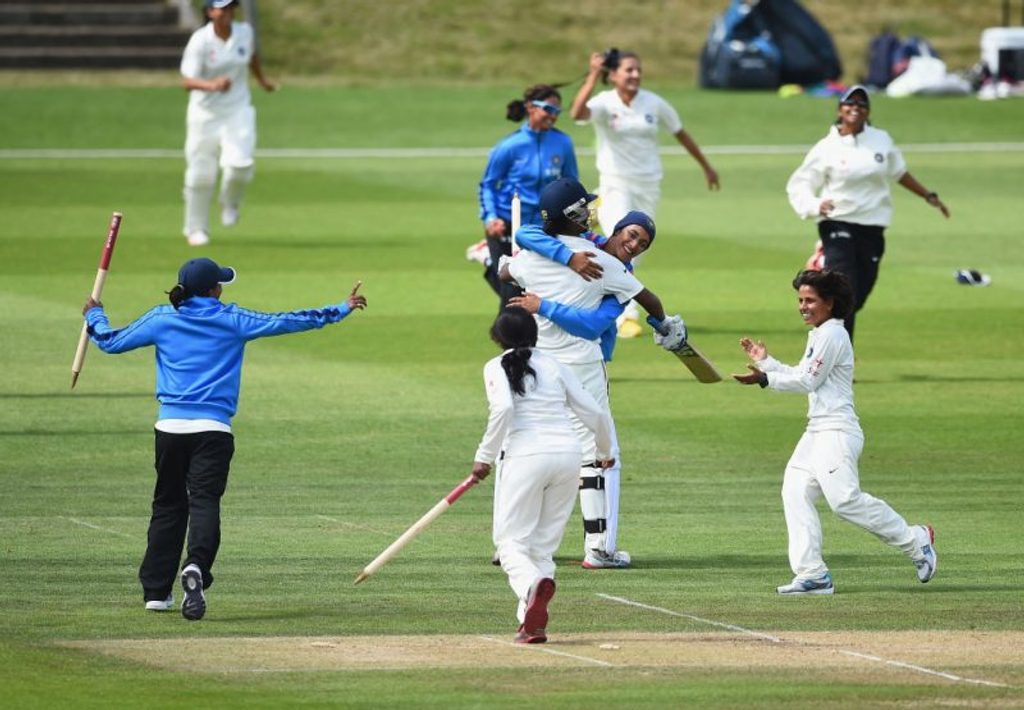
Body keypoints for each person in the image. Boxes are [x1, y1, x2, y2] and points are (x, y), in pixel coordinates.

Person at [82, 257, 366, 619]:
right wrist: (340, 309)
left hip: (170, 430)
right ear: (214, 290)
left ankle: (156, 591)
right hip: (213, 431)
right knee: (204, 503)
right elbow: (288, 320)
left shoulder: (161, 318)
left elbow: (109, 342)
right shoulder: (233, 320)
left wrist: (94, 315)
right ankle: (196, 566)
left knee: (167, 506)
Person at [500, 180, 687, 569]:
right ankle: (600, 548)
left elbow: (506, 269)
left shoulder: (532, 256)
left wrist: (515, 270)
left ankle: (509, 545)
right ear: (575, 215)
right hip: (582, 367)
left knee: (522, 447)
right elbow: (643, 302)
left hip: (536, 364)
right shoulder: (607, 266)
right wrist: (663, 325)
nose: (591, 211)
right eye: (585, 207)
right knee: (601, 454)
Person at [734, 269, 937, 595]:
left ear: (830, 302)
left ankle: (916, 539)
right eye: (800, 299)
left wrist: (763, 379)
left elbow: (807, 382)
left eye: (810, 300)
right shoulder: (820, 334)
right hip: (816, 431)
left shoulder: (833, 335)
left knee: (844, 501)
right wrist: (767, 362)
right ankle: (813, 574)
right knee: (795, 492)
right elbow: (803, 374)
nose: (803, 306)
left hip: (836, 431)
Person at [472, 307, 614, 643]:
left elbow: (504, 408)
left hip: (525, 457)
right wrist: (605, 452)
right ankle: (531, 622)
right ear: (535, 335)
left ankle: (529, 589)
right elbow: (594, 411)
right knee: (542, 548)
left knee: (509, 544)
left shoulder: (495, 365)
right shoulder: (554, 364)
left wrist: (483, 457)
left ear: (498, 338)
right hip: (569, 456)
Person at [569, 49, 719, 338]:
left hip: (648, 185)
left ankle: (590, 216)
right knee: (626, 246)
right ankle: (626, 315)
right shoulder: (604, 102)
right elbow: (577, 113)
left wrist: (706, 167)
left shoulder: (653, 103)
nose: (635, 75)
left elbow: (680, 133)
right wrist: (592, 75)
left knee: (632, 244)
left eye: (638, 70)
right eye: (629, 70)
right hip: (616, 183)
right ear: (613, 75)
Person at [786, 85, 950, 342]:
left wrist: (928, 196)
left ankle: (822, 270)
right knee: (843, 293)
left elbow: (899, 173)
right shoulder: (827, 147)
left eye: (862, 105)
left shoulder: (881, 140)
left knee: (854, 299)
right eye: (850, 104)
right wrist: (815, 205)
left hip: (872, 225)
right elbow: (800, 183)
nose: (856, 108)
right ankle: (838, 363)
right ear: (840, 110)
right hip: (837, 222)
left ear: (868, 112)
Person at [180, 0, 277, 247]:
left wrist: (263, 81)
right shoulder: (200, 40)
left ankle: (230, 201)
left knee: (240, 164)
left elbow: (251, 56)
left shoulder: (245, 32)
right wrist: (212, 85)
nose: (226, 13)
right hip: (205, 114)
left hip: (238, 110)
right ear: (210, 11)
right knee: (201, 174)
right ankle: (195, 228)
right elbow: (187, 81)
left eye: (230, 8)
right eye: (221, 8)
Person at [474, 84, 580, 308]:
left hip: (544, 226)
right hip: (508, 224)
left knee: (538, 285)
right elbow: (488, 185)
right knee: (511, 292)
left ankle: (488, 260)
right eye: (549, 109)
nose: (554, 116)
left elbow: (571, 184)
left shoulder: (563, 143)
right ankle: (511, 341)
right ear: (531, 107)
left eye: (557, 112)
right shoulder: (510, 145)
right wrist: (491, 217)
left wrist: (578, 220)